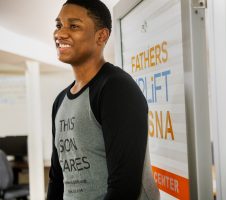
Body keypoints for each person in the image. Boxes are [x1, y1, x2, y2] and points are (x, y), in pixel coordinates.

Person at [46, 0, 160, 199]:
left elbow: (124, 186)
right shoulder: (60, 101)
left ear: (101, 36)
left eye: (73, 26)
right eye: (58, 25)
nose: (60, 33)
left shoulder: (116, 88)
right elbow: (57, 178)